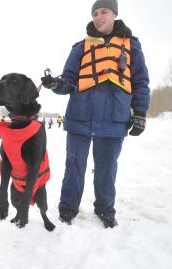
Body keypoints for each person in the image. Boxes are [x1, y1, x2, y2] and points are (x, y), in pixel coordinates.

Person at [41, 0, 150, 228]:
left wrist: (140, 111)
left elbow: (140, 82)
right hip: (81, 116)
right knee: (74, 164)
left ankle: (105, 209)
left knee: (107, 167)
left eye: (104, 12)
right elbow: (68, 81)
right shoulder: (80, 47)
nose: (99, 17)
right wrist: (55, 84)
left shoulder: (132, 46)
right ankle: (67, 208)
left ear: (114, 15)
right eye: (95, 13)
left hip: (114, 118)